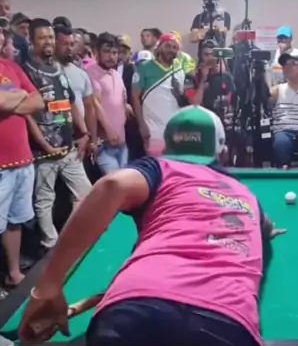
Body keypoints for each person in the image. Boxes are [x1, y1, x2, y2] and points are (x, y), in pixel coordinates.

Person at [18, 106, 286, 346]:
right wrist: (266, 231)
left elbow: (113, 185)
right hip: (226, 321)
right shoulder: (244, 193)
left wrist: (49, 285)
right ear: (221, 150)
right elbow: (265, 227)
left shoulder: (160, 167)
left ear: (167, 145)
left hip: (138, 309)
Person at [23, 19, 92, 249]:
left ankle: (73, 239)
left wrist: (84, 133)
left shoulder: (58, 68)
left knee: (85, 195)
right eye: (42, 38)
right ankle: (50, 246)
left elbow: (71, 102)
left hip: (69, 146)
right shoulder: (25, 70)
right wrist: (44, 145)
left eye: (50, 37)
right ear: (32, 40)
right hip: (43, 151)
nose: (48, 42)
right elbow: (27, 114)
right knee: (45, 200)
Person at [0, 28, 44, 287]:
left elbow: (37, 101)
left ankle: (13, 272)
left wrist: (11, 100)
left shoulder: (11, 66)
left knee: (15, 222)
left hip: (21, 160)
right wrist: (18, 96)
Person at [131, 32, 185, 156]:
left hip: (175, 129)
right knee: (157, 163)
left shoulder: (179, 69)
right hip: (153, 129)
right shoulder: (144, 68)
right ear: (159, 47)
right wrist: (142, 125)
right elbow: (135, 97)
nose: (171, 50)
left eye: (175, 47)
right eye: (168, 46)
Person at [88, 32, 130, 174]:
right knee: (115, 183)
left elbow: (121, 100)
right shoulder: (91, 73)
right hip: (104, 144)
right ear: (97, 52)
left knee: (124, 182)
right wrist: (109, 130)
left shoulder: (117, 74)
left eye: (114, 53)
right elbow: (94, 104)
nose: (111, 56)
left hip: (122, 142)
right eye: (106, 51)